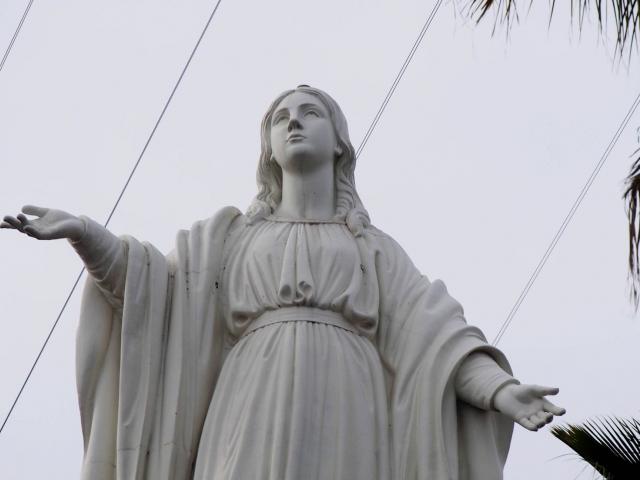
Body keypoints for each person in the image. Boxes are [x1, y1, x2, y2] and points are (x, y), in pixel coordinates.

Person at [2, 85, 565, 480]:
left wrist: (499, 390)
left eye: (310, 113)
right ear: (268, 149)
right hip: (250, 396)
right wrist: (85, 236)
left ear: (339, 142)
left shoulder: (369, 247)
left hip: (349, 400)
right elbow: (152, 291)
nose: (293, 122)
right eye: (281, 118)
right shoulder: (230, 238)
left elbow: (434, 337)